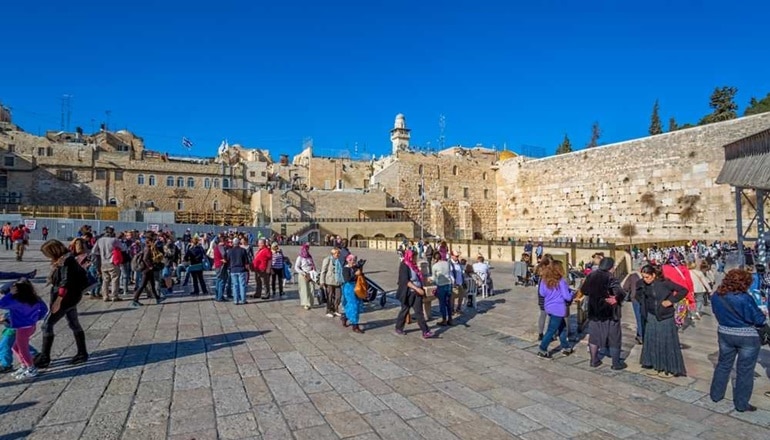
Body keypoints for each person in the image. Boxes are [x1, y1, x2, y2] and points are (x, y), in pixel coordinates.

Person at [709, 269, 767, 413]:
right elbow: (758, 320)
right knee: (745, 371)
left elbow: (717, 313)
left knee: (723, 365)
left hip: (724, 333)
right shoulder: (744, 298)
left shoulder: (716, 296)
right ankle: (741, 404)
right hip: (747, 336)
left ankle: (716, 395)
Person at [36, 239, 90, 368]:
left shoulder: (66, 261)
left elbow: (65, 282)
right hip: (71, 297)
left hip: (65, 298)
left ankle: (45, 357)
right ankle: (82, 353)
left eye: (48, 254)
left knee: (47, 324)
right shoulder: (66, 259)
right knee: (73, 323)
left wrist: (58, 301)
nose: (47, 257)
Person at [637, 264, 688, 378]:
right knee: (653, 342)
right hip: (651, 316)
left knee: (666, 343)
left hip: (665, 317)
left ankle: (668, 368)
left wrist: (670, 301)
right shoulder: (643, 284)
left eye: (647, 277)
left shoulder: (665, 283)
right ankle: (656, 365)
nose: (645, 279)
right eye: (643, 277)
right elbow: (638, 295)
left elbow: (683, 290)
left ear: (654, 275)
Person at [582, 257, 626, 369]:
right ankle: (616, 364)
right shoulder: (611, 278)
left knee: (594, 337)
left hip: (594, 312)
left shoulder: (591, 275)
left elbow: (584, 290)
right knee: (614, 337)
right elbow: (620, 292)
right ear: (610, 267)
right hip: (610, 312)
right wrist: (616, 299)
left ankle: (593, 360)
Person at [0, 279, 47, 380]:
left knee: (23, 349)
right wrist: (36, 317)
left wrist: (10, 294)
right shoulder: (34, 298)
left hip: (22, 329)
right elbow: (44, 309)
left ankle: (31, 368)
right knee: (15, 347)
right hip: (30, 326)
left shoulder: (16, 301)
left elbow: (1, 304)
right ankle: (24, 365)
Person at [537, 260, 574, 358]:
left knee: (562, 327)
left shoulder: (544, 280)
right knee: (551, 330)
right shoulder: (561, 281)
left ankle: (566, 347)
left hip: (548, 307)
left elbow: (542, 293)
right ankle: (542, 349)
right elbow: (567, 297)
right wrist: (572, 293)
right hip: (558, 309)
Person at [394, 249, 434, 338]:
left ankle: (425, 331)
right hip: (408, 293)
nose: (415, 259)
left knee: (419, 312)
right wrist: (416, 288)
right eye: (414, 257)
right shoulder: (404, 265)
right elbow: (405, 281)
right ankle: (398, 327)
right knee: (405, 310)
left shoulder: (414, 266)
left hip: (417, 293)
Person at [341, 254, 364, 333]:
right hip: (349, 288)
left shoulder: (355, 267)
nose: (354, 262)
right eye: (352, 260)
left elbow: (361, 275)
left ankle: (345, 317)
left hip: (357, 288)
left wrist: (361, 267)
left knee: (357, 304)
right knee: (353, 305)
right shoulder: (346, 269)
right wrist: (355, 274)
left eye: (355, 260)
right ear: (348, 260)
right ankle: (355, 326)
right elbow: (347, 279)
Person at [430, 253, 454, 326]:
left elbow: (434, 278)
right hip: (449, 284)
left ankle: (444, 319)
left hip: (441, 285)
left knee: (442, 303)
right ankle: (450, 319)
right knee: (448, 302)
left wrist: (429, 279)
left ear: (435, 259)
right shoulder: (447, 263)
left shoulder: (434, 266)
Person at [225, 238, 251, 305]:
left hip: (233, 270)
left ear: (233, 243)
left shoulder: (229, 251)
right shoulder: (243, 250)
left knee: (235, 285)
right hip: (241, 270)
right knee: (242, 285)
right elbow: (246, 261)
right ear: (239, 243)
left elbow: (227, 260)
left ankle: (236, 300)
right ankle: (243, 300)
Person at [320, 248, 344, 317]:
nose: (339, 255)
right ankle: (329, 310)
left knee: (338, 296)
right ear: (333, 254)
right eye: (337, 253)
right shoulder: (327, 259)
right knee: (329, 296)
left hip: (338, 280)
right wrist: (322, 281)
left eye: (339, 253)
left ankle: (335, 309)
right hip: (329, 281)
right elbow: (323, 271)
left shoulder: (339, 260)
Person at [294, 243, 316, 310]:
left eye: (308, 248)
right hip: (303, 274)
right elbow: (296, 267)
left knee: (312, 288)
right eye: (306, 248)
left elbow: (312, 264)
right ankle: (306, 303)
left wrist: (314, 270)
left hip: (311, 274)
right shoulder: (300, 257)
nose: (307, 250)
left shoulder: (309, 257)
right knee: (305, 289)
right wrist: (303, 272)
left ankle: (311, 302)